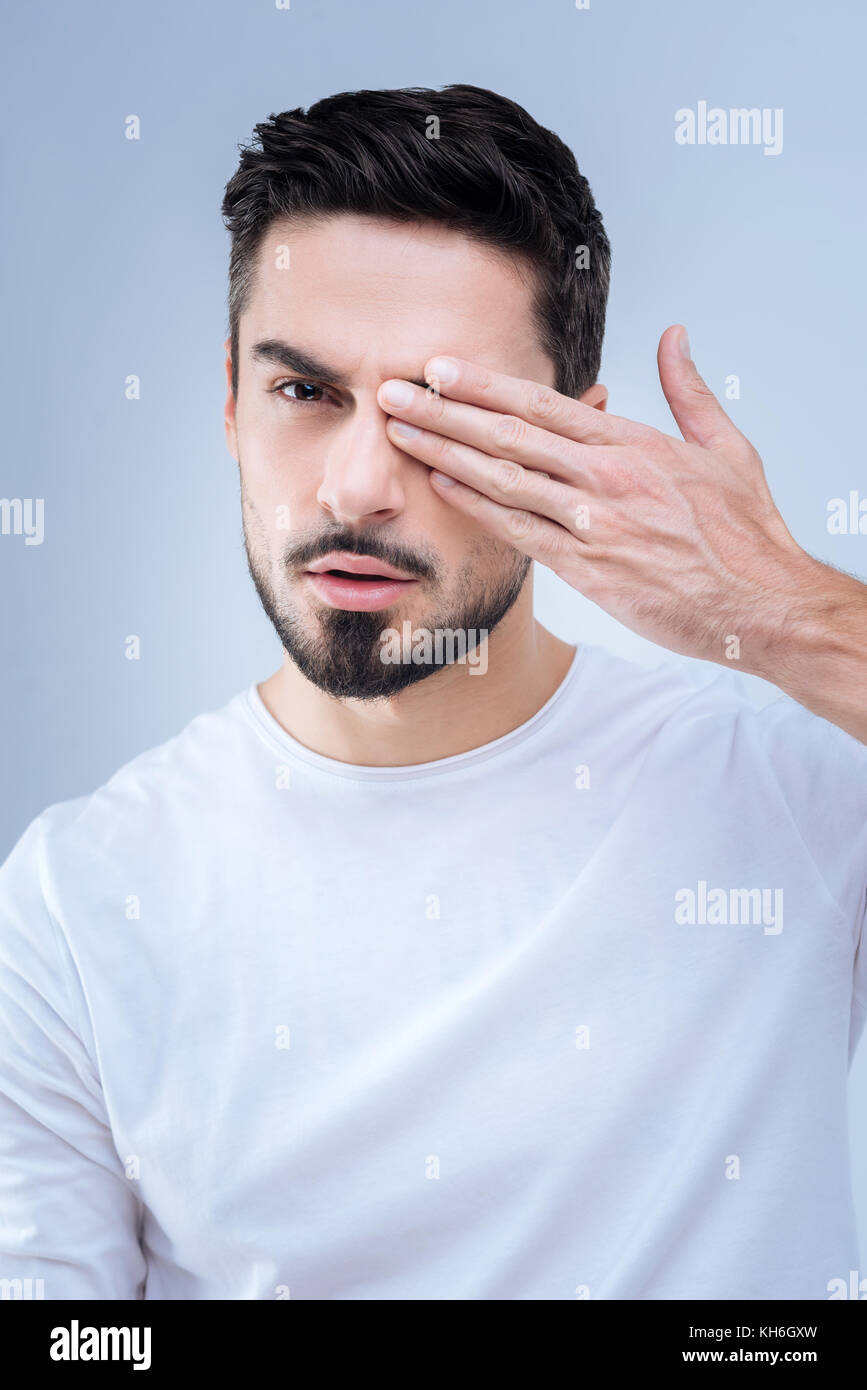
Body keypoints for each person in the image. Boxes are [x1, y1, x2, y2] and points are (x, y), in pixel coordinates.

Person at [1, 84, 865, 1302]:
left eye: (445, 414)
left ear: (581, 447)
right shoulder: (75, 905)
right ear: (233, 408)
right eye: (305, 392)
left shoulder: (798, 794)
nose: (358, 487)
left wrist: (782, 609)